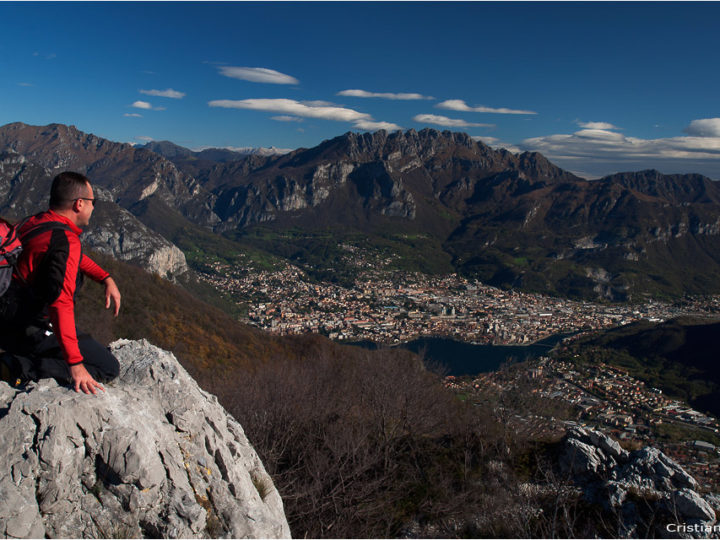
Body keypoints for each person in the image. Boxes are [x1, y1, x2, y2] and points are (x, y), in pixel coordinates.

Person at [0, 171, 121, 394]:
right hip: (29, 328)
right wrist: (75, 365)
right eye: (93, 202)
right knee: (108, 367)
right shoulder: (65, 242)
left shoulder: (35, 222)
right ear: (79, 204)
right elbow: (60, 304)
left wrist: (104, 277)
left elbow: (65, 256)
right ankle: (13, 366)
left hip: (7, 317)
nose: (94, 208)